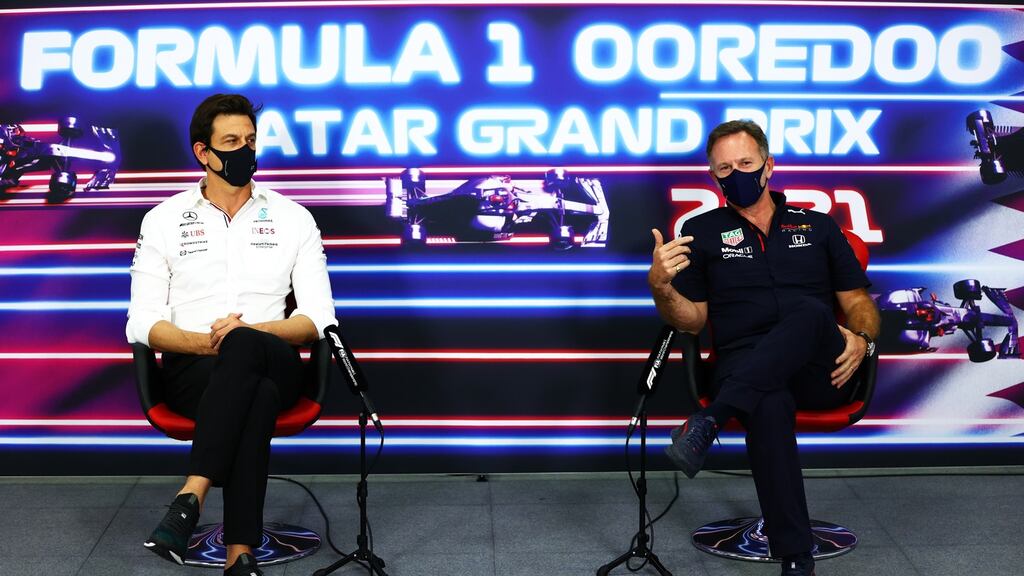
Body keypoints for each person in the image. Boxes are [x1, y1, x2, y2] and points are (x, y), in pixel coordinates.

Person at [649, 120, 880, 576]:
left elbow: (858, 304)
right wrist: (661, 287)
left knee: (811, 313)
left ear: (768, 166)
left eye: (745, 163)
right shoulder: (700, 231)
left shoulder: (818, 227)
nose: (735, 173)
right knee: (768, 400)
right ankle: (796, 559)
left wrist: (863, 340)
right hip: (744, 362)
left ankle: (708, 421)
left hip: (821, 368)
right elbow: (691, 320)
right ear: (713, 177)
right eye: (723, 168)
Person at [126, 94, 337, 576]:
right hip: (194, 368)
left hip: (276, 358)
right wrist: (208, 342)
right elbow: (142, 322)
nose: (245, 149)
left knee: (247, 350)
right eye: (231, 142)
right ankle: (240, 556)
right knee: (253, 394)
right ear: (203, 152)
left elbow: (318, 318)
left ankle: (191, 494)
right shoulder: (162, 220)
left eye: (251, 140)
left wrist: (249, 333)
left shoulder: (293, 217)